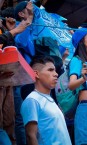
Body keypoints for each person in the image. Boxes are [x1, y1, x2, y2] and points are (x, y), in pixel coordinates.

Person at [20, 56, 71, 145]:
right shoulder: (32, 100)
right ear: (36, 74)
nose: (56, 74)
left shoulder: (49, 99)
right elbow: (31, 136)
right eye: (50, 70)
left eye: (55, 70)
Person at [0, 16, 30, 145]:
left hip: (6, 82)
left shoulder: (3, 30)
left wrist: (10, 31)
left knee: (9, 122)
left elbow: (7, 51)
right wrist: (14, 31)